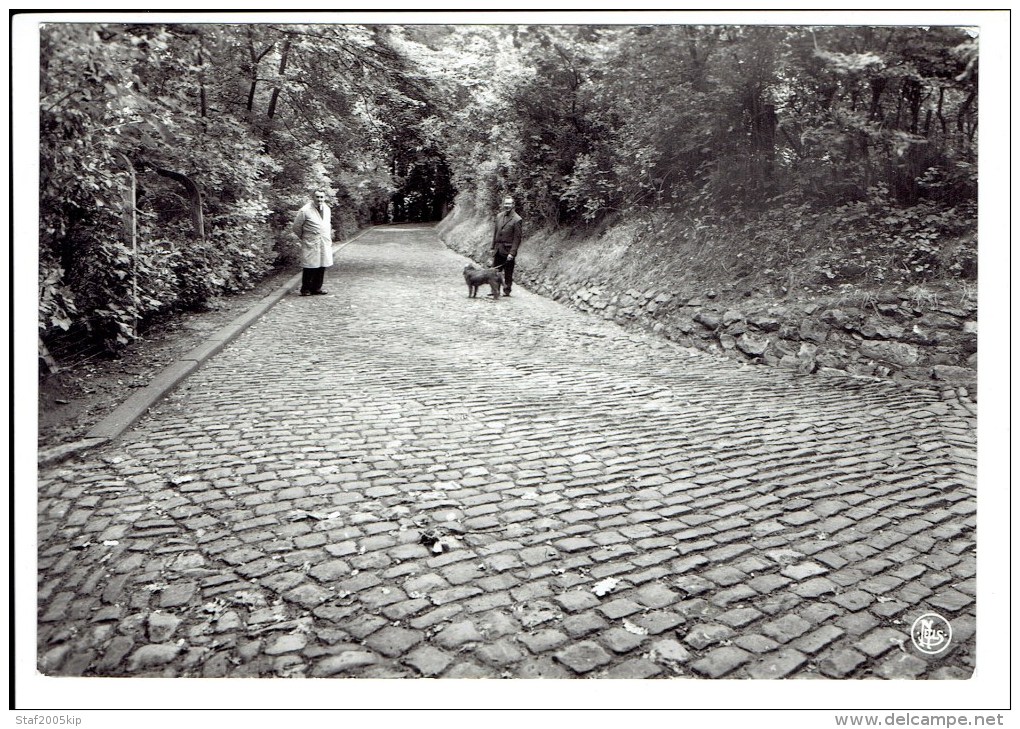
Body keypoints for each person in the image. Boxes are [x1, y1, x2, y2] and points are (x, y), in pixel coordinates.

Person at [292, 190, 334, 296]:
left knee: (322, 264)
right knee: (310, 266)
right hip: (311, 241)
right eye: (317, 197)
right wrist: (304, 237)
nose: (320, 199)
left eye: (322, 197)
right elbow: (296, 227)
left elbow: (327, 224)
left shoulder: (327, 209)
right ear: (312, 197)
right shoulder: (305, 210)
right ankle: (305, 289)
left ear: (324, 198)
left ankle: (317, 288)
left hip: (324, 241)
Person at [491, 195, 523, 297]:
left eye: (509, 204)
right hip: (498, 249)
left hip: (508, 250)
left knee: (508, 272)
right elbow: (495, 233)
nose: (507, 206)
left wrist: (512, 253)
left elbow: (517, 238)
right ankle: (495, 290)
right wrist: (493, 247)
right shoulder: (499, 216)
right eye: (505, 203)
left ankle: (507, 290)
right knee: (495, 271)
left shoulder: (517, 219)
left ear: (513, 205)